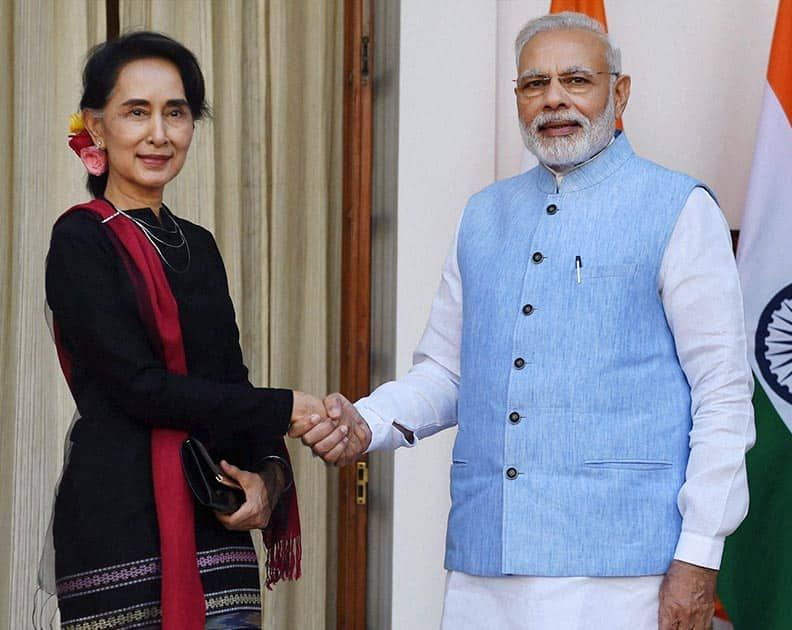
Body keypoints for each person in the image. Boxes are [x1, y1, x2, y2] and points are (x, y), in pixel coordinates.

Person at [299, 12, 755, 630]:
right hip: (485, 563)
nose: (554, 99)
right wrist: (367, 423)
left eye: (576, 79)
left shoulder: (679, 207)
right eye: (534, 84)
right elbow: (448, 372)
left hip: (622, 569)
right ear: (517, 97)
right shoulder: (484, 215)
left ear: (618, 93)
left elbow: (723, 393)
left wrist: (699, 556)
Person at [44, 32, 326, 630]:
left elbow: (231, 382)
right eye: (136, 112)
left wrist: (269, 478)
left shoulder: (198, 244)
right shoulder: (79, 240)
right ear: (95, 128)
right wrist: (287, 408)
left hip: (211, 521)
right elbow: (137, 388)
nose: (159, 134)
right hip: (119, 529)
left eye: (176, 113)